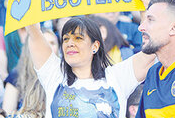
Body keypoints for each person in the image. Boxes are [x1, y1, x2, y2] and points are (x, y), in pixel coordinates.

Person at [27, 12, 155, 118]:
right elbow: (34, 32)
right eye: (66, 39)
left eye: (78, 38)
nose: (70, 43)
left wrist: (145, 11)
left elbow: (150, 52)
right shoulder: (55, 75)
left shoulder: (117, 77)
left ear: (95, 46)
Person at [2, 30, 59, 117]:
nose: (48, 47)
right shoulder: (17, 75)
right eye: (44, 43)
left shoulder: (64, 74)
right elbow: (7, 112)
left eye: (52, 43)